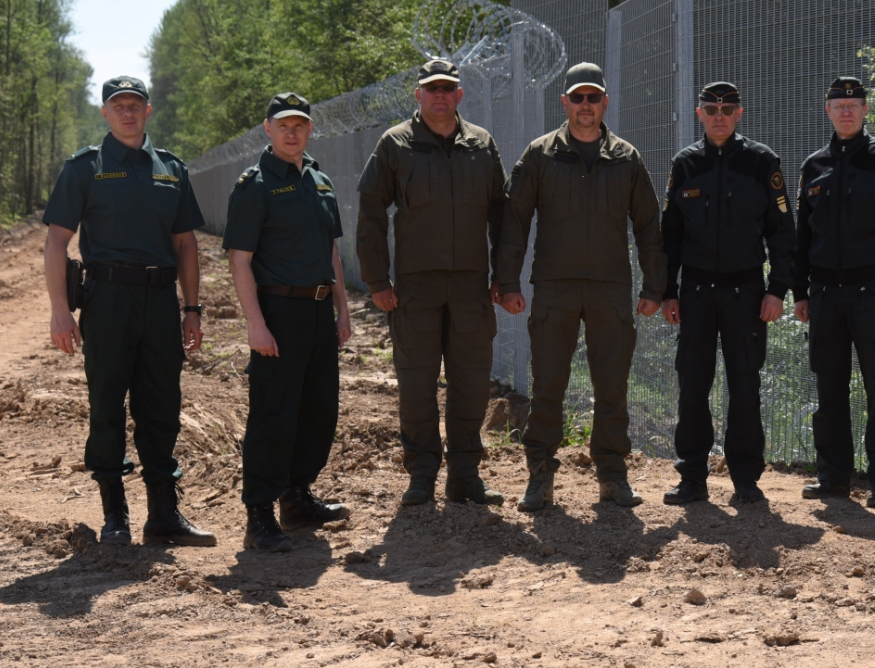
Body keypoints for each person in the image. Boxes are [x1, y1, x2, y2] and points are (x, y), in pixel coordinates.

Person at [42, 75, 215, 547]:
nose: (127, 112)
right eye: (118, 104)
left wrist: (192, 309)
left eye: (135, 104)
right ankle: (114, 514)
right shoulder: (85, 167)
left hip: (160, 300)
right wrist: (60, 311)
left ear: (148, 110)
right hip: (108, 300)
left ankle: (163, 515)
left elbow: (185, 244)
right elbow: (57, 241)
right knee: (107, 404)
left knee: (162, 405)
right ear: (105, 112)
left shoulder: (170, 169)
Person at [495, 62, 666, 512]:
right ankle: (540, 476)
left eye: (593, 97)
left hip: (611, 289)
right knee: (549, 383)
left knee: (612, 386)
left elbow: (649, 226)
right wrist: (507, 281)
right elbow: (514, 222)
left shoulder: (626, 158)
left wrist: (654, 286)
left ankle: (612, 475)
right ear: (565, 102)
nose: (585, 105)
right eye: (578, 97)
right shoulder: (540, 155)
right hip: (555, 288)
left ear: (604, 103)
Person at [357, 58, 506, 507]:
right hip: (414, 290)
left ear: (459, 95)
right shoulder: (395, 144)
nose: (440, 95)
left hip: (470, 289)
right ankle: (421, 474)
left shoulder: (480, 144)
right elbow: (369, 212)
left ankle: (465, 476)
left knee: (472, 382)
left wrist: (505, 276)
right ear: (418, 96)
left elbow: (503, 215)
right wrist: (377, 281)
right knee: (416, 383)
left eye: (448, 88)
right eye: (431, 88)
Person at [224, 92, 354, 551]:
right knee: (274, 413)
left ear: (309, 129)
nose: (292, 131)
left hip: (319, 311)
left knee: (318, 410)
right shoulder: (255, 184)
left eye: (300, 124)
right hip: (278, 312)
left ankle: (296, 497)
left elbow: (332, 252)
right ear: (268, 129)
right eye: (284, 125)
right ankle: (259, 511)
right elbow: (240, 261)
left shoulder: (319, 180)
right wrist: (255, 324)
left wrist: (342, 308)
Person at [792, 76, 875, 508]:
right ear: (826, 110)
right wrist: (800, 292)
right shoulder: (814, 167)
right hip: (825, 294)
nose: (846, 110)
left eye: (854, 104)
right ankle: (833, 476)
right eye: (838, 104)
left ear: (866, 110)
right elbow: (799, 238)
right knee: (829, 388)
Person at [659, 81, 793, 506]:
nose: (719, 115)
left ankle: (746, 479)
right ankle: (692, 477)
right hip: (696, 293)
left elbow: (783, 234)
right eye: (711, 108)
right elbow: (670, 236)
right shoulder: (685, 165)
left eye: (727, 108)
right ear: (699, 113)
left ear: (740, 113)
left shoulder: (761, 162)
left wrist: (776, 291)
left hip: (747, 294)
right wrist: (667, 292)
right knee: (692, 385)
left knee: (745, 385)